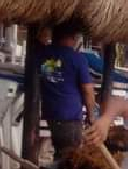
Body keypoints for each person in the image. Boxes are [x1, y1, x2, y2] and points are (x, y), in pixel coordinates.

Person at [37, 20, 96, 160]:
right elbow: (88, 90)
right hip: (69, 116)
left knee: (60, 152)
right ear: (72, 37)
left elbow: (40, 39)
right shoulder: (77, 59)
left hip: (51, 113)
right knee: (70, 157)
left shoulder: (43, 54)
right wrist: (91, 115)